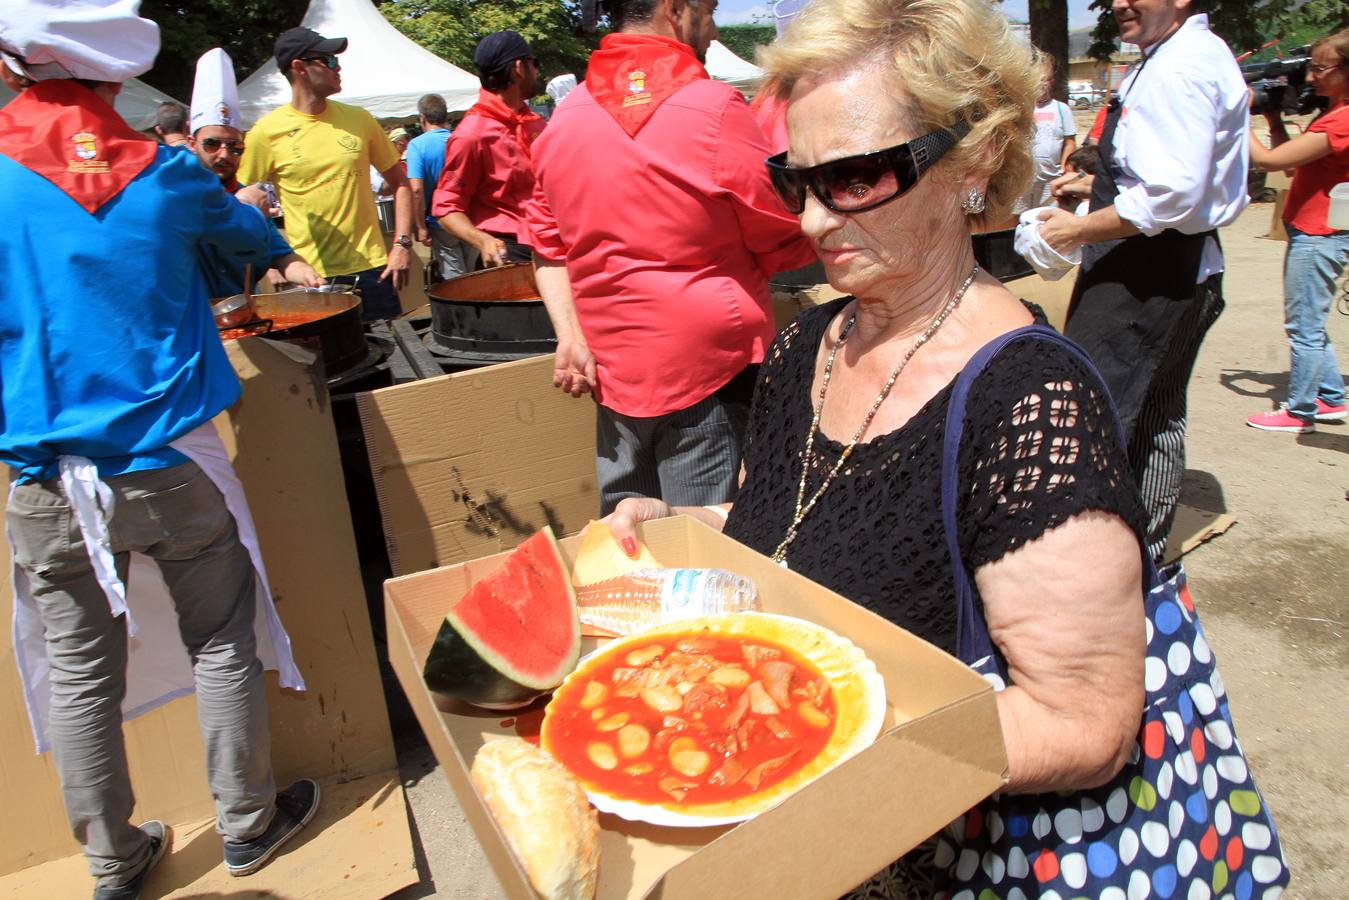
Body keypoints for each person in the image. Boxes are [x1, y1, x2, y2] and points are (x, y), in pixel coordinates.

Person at [603, 0, 1288, 895]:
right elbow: (791, 520)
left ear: (975, 163)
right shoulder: (802, 347)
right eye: (796, 183)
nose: (812, 223)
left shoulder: (1031, 400)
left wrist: (827, 737)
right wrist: (684, 521)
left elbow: (1083, 722)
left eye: (855, 179)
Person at [0, 4, 319, 899]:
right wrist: (249, 212)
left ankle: (113, 860)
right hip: (169, 460)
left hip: (45, 477)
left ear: (17, 71)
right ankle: (247, 824)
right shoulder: (169, 172)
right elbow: (252, 241)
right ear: (113, 80)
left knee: (80, 676)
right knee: (221, 640)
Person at [523, 0, 816, 515]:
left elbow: (546, 248)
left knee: (632, 545)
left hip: (610, 371)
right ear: (676, 10)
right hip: (709, 370)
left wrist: (570, 336)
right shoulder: (716, 107)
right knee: (712, 549)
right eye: (709, 10)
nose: (716, 26)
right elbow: (779, 230)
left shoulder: (563, 120)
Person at [1036, 0, 1250, 565]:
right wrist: (1092, 188)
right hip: (1174, 265)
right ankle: (1143, 551)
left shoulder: (1180, 67)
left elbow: (1172, 194)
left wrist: (1078, 230)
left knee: (1095, 416)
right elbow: (1157, 176)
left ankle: (1103, 563)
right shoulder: (1170, 56)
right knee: (1156, 412)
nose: (1121, 3)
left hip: (1150, 277)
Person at [238, 27, 413, 321]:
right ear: (299, 67)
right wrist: (269, 264)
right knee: (327, 365)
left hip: (374, 270)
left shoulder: (359, 119)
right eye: (329, 60)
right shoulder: (265, 133)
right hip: (311, 277)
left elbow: (402, 185)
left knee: (396, 361)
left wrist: (402, 245)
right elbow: (244, 209)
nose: (338, 66)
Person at [1245, 28, 1349, 433]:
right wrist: (1272, 117)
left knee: (1302, 326)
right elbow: (1290, 166)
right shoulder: (1332, 115)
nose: (1310, 77)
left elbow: (1268, 163)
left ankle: (1301, 410)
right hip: (1314, 231)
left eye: (1321, 69)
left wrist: (1235, 116)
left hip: (1320, 235)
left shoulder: (1340, 123)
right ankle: (1330, 397)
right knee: (1310, 322)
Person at [185, 47, 321, 297]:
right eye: (212, 144)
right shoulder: (176, 195)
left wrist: (305, 273)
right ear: (192, 144)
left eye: (235, 147)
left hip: (239, 313)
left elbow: (280, 255)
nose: (224, 155)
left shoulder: (250, 200)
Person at [431, 31, 545, 269]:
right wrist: (482, 240)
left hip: (551, 245)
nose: (537, 71)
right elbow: (447, 207)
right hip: (509, 255)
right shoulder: (472, 134)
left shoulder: (535, 122)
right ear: (518, 68)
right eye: (534, 63)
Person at [405, 92, 473, 279]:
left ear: (422, 118)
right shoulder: (461, 140)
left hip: (441, 221)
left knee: (456, 278)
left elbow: (416, 189)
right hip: (470, 217)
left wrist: (420, 227)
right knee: (476, 274)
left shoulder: (417, 146)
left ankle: (462, 308)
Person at [1016, 55, 1077, 212]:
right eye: (1037, 80)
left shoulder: (1062, 109)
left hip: (1050, 179)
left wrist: (1064, 168)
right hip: (1023, 180)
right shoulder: (1022, 109)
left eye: (1045, 80)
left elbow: (1069, 142)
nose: (1041, 84)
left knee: (1046, 218)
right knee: (1019, 218)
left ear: (1052, 82)